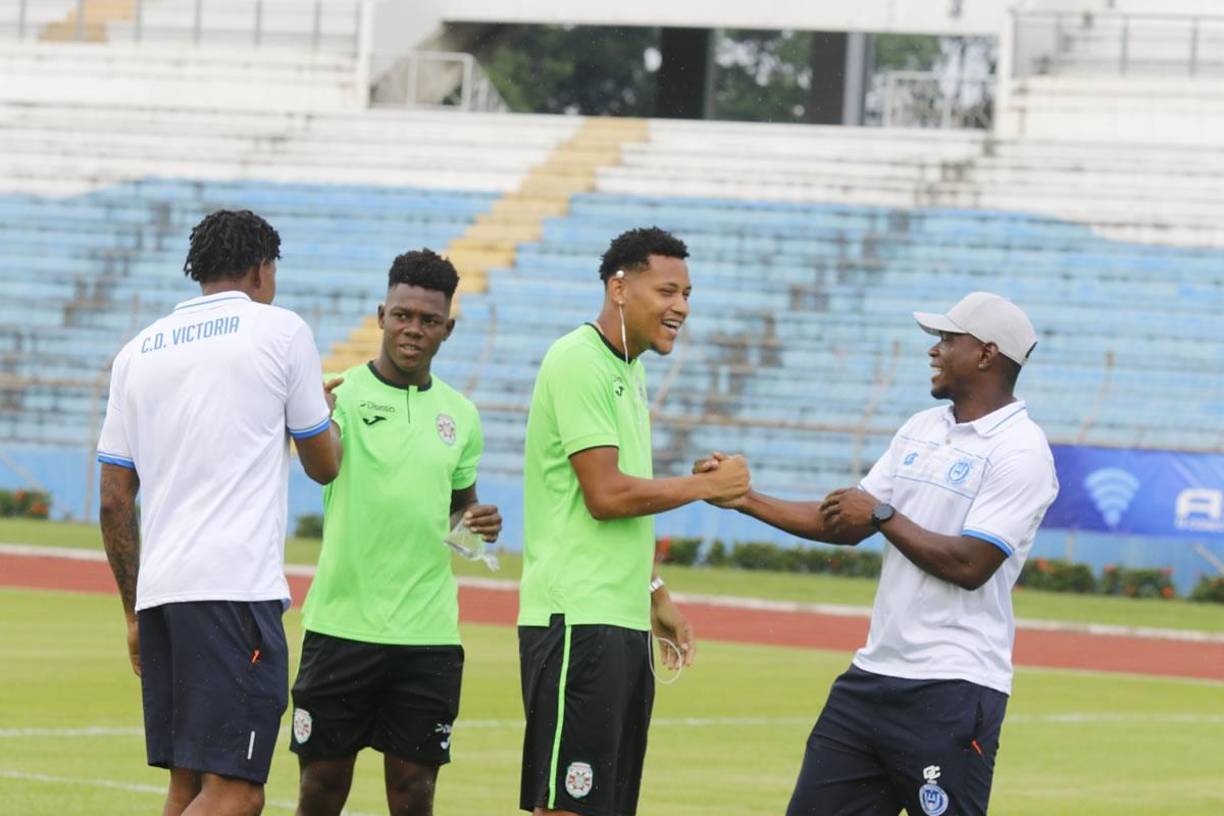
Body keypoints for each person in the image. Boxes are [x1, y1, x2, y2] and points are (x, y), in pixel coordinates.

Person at [703, 291, 1059, 816]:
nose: (933, 350)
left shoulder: (1021, 451)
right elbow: (846, 524)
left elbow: (971, 565)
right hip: (871, 680)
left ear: (985, 354)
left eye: (946, 339)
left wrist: (882, 515)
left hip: (953, 689)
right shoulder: (921, 427)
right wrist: (744, 500)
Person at [97, 209, 343, 816]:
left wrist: (132, 612)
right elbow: (325, 464)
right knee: (237, 792)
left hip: (162, 595)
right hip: (233, 591)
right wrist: (322, 416)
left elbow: (112, 497)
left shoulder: (137, 352)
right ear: (263, 269)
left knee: (187, 786)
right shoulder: (280, 332)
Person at [517, 227, 751, 816]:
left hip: (619, 620)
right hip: (577, 620)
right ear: (620, 288)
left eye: (688, 295)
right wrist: (704, 488)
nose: (681, 308)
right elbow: (606, 495)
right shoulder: (579, 360)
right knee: (567, 806)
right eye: (668, 290)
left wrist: (655, 593)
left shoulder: (631, 369)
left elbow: (622, 505)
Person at [289, 249, 501, 816]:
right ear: (381, 314)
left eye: (429, 321)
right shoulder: (340, 395)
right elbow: (320, 466)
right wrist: (317, 418)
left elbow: (461, 524)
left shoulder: (461, 415)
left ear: (447, 329)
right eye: (403, 315)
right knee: (321, 789)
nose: (413, 329)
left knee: (415, 794)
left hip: (427, 636)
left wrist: (480, 528)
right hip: (341, 626)